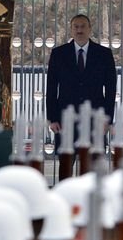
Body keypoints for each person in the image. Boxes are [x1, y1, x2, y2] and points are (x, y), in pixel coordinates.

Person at [46, 14, 117, 149]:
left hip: (95, 119)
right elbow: (51, 88)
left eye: (83, 26)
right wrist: (52, 118)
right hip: (65, 119)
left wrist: (107, 119)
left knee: (95, 160)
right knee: (66, 160)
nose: (79, 30)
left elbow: (110, 89)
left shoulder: (104, 54)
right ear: (71, 30)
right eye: (76, 27)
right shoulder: (58, 54)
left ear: (90, 29)